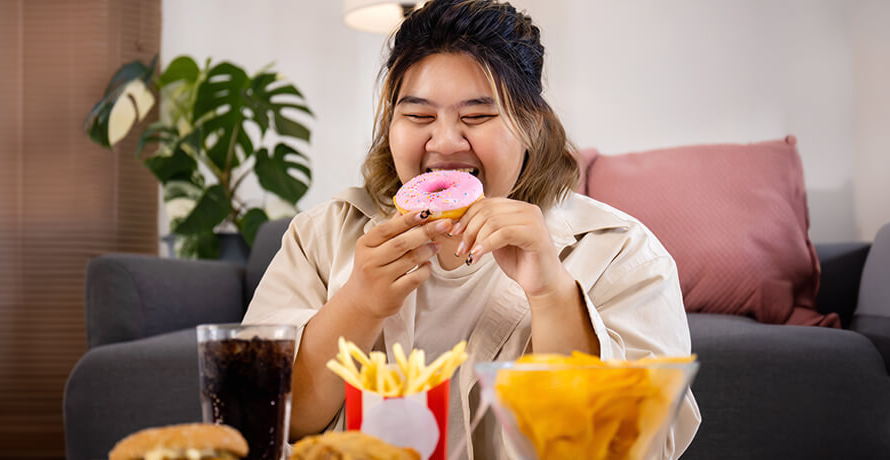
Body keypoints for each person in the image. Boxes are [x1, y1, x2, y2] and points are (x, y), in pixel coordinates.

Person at [243, 0, 701, 458]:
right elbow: (260, 419)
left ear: (532, 125)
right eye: (418, 116)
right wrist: (359, 303)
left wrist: (551, 293)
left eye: (477, 117)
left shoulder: (624, 254)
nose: (444, 142)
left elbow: (632, 449)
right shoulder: (319, 237)